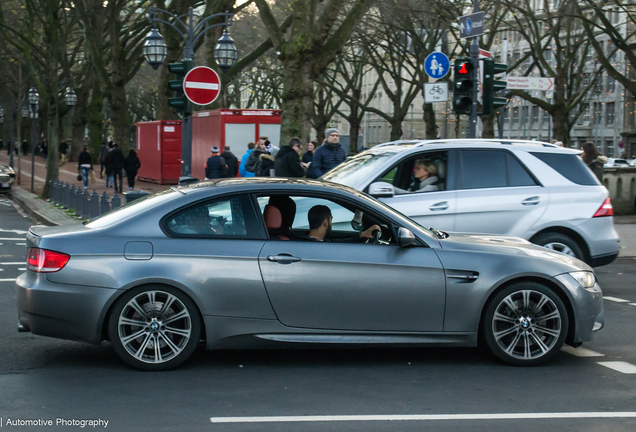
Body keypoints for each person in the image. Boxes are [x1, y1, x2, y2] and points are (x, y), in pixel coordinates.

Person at [300, 205, 379, 242]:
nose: (332, 224)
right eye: (330, 220)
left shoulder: (307, 240)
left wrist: (362, 235)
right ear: (325, 222)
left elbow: (340, 241)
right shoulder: (317, 246)